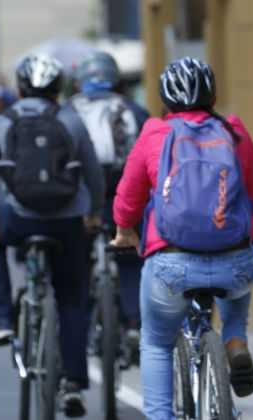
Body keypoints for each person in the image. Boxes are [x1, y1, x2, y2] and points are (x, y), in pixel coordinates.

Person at [110, 57, 253, 420]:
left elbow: (128, 198)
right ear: (212, 94)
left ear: (165, 99)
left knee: (156, 343)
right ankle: (234, 338)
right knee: (239, 277)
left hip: (172, 265)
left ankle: (160, 416)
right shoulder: (234, 134)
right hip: (236, 264)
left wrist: (124, 230)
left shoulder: (155, 134)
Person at [0, 53, 105, 417]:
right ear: (57, 89)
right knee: (72, 297)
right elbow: (92, 173)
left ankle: (0, 320)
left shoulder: (1, 122)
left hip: (20, 219)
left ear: (19, 87)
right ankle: (74, 383)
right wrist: (94, 213)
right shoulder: (71, 120)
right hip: (67, 222)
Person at [69, 51, 149, 358]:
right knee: (130, 257)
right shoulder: (133, 109)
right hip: (124, 196)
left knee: (77, 263)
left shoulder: (69, 110)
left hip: (83, 197)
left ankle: (85, 323)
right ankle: (133, 323)